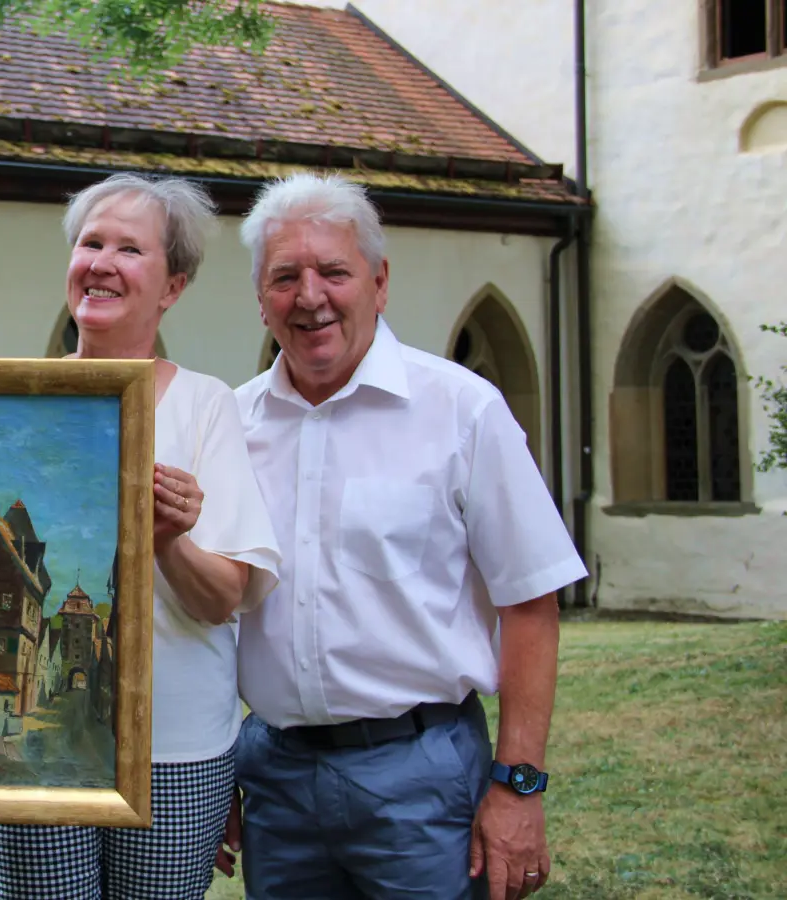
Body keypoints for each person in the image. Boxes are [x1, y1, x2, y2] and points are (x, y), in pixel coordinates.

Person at [228, 171, 586, 900]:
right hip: (276, 779)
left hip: (421, 777)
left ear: (380, 281)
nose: (310, 297)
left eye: (334, 271)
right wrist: (217, 772)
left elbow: (530, 604)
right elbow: (207, 616)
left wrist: (519, 786)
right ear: (259, 297)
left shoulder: (461, 411)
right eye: (285, 277)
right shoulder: (231, 427)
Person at [0, 173, 283, 899]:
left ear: (171, 286)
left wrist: (167, 538)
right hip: (32, 748)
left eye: (130, 249)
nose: (103, 262)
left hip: (174, 754)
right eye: (91, 243)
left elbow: (221, 602)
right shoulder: (15, 403)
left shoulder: (206, 407)